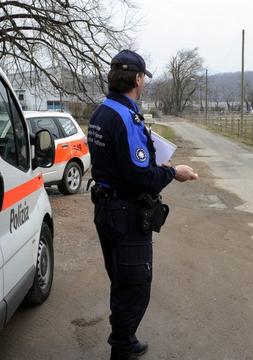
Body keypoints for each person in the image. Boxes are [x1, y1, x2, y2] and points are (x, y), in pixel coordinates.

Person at [87, 49, 199, 360]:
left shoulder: (101, 112)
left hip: (106, 209)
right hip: (125, 214)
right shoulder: (125, 116)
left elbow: (125, 160)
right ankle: (122, 347)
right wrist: (173, 172)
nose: (143, 83)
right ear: (138, 79)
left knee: (121, 278)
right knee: (135, 284)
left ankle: (124, 338)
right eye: (143, 78)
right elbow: (142, 177)